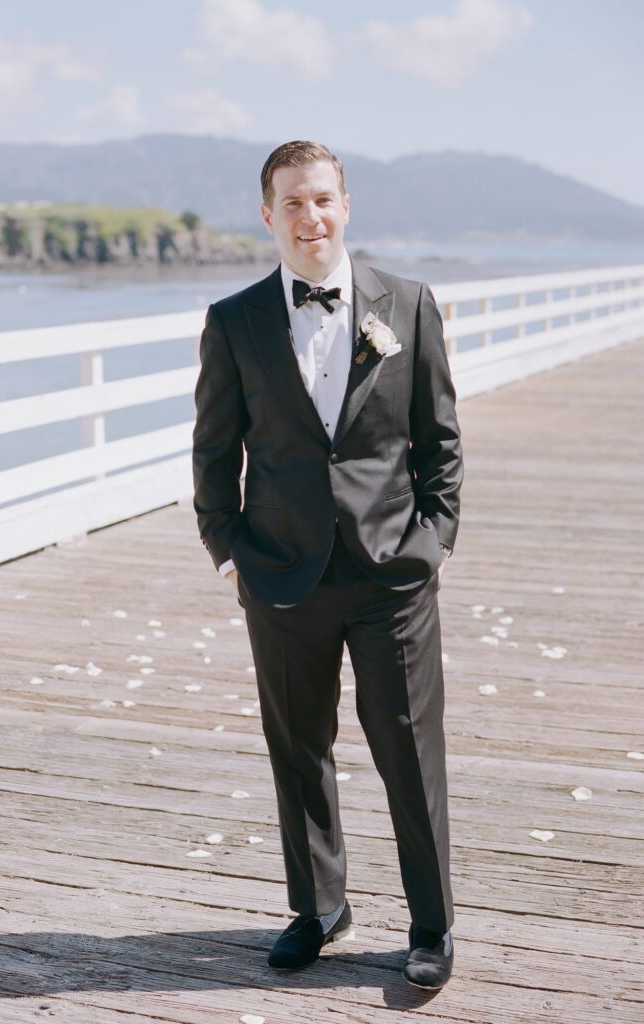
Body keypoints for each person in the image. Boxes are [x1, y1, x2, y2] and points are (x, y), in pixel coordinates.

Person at [191, 140, 463, 990]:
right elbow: (213, 452)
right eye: (292, 204)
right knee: (298, 750)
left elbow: (440, 443)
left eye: (323, 200)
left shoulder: (408, 305)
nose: (311, 218)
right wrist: (228, 553)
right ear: (267, 216)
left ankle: (431, 924)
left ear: (346, 205)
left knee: (409, 752)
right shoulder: (233, 321)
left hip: (391, 574)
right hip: (279, 576)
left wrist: (432, 544)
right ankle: (318, 908)